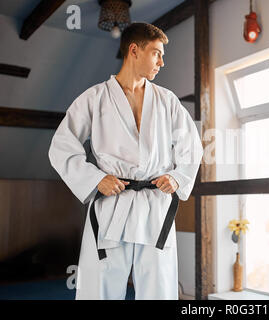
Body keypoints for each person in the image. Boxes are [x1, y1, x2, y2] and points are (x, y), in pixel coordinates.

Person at [48, 22, 203, 300]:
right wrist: (96, 179)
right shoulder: (95, 99)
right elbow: (62, 146)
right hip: (111, 203)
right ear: (134, 50)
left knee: (159, 288)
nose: (162, 62)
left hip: (154, 204)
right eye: (156, 53)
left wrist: (178, 176)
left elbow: (191, 146)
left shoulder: (167, 101)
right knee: (101, 287)